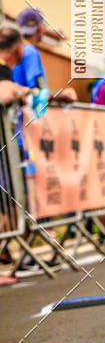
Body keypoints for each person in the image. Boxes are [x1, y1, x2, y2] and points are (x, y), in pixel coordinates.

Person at [0, 26, 29, 286]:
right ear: (18, 48)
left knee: (7, 205)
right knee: (5, 206)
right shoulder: (2, 68)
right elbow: (4, 92)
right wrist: (25, 92)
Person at [12, 8, 77, 102]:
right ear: (39, 27)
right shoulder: (30, 52)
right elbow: (39, 93)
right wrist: (62, 96)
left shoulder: (14, 50)